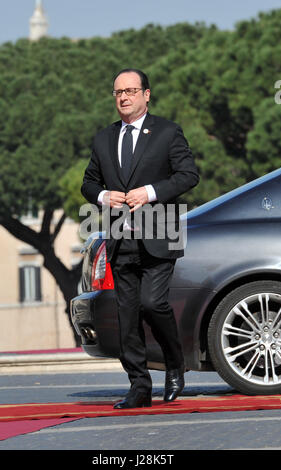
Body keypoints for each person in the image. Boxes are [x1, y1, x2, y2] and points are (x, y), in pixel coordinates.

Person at [82, 68, 199, 409]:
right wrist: (104, 196)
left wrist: (149, 192)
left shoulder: (166, 132)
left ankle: (175, 363)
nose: (124, 97)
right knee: (127, 315)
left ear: (146, 94)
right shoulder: (103, 139)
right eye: (119, 92)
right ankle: (139, 386)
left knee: (153, 303)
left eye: (131, 90)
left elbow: (188, 175)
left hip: (160, 231)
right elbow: (88, 183)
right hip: (120, 236)